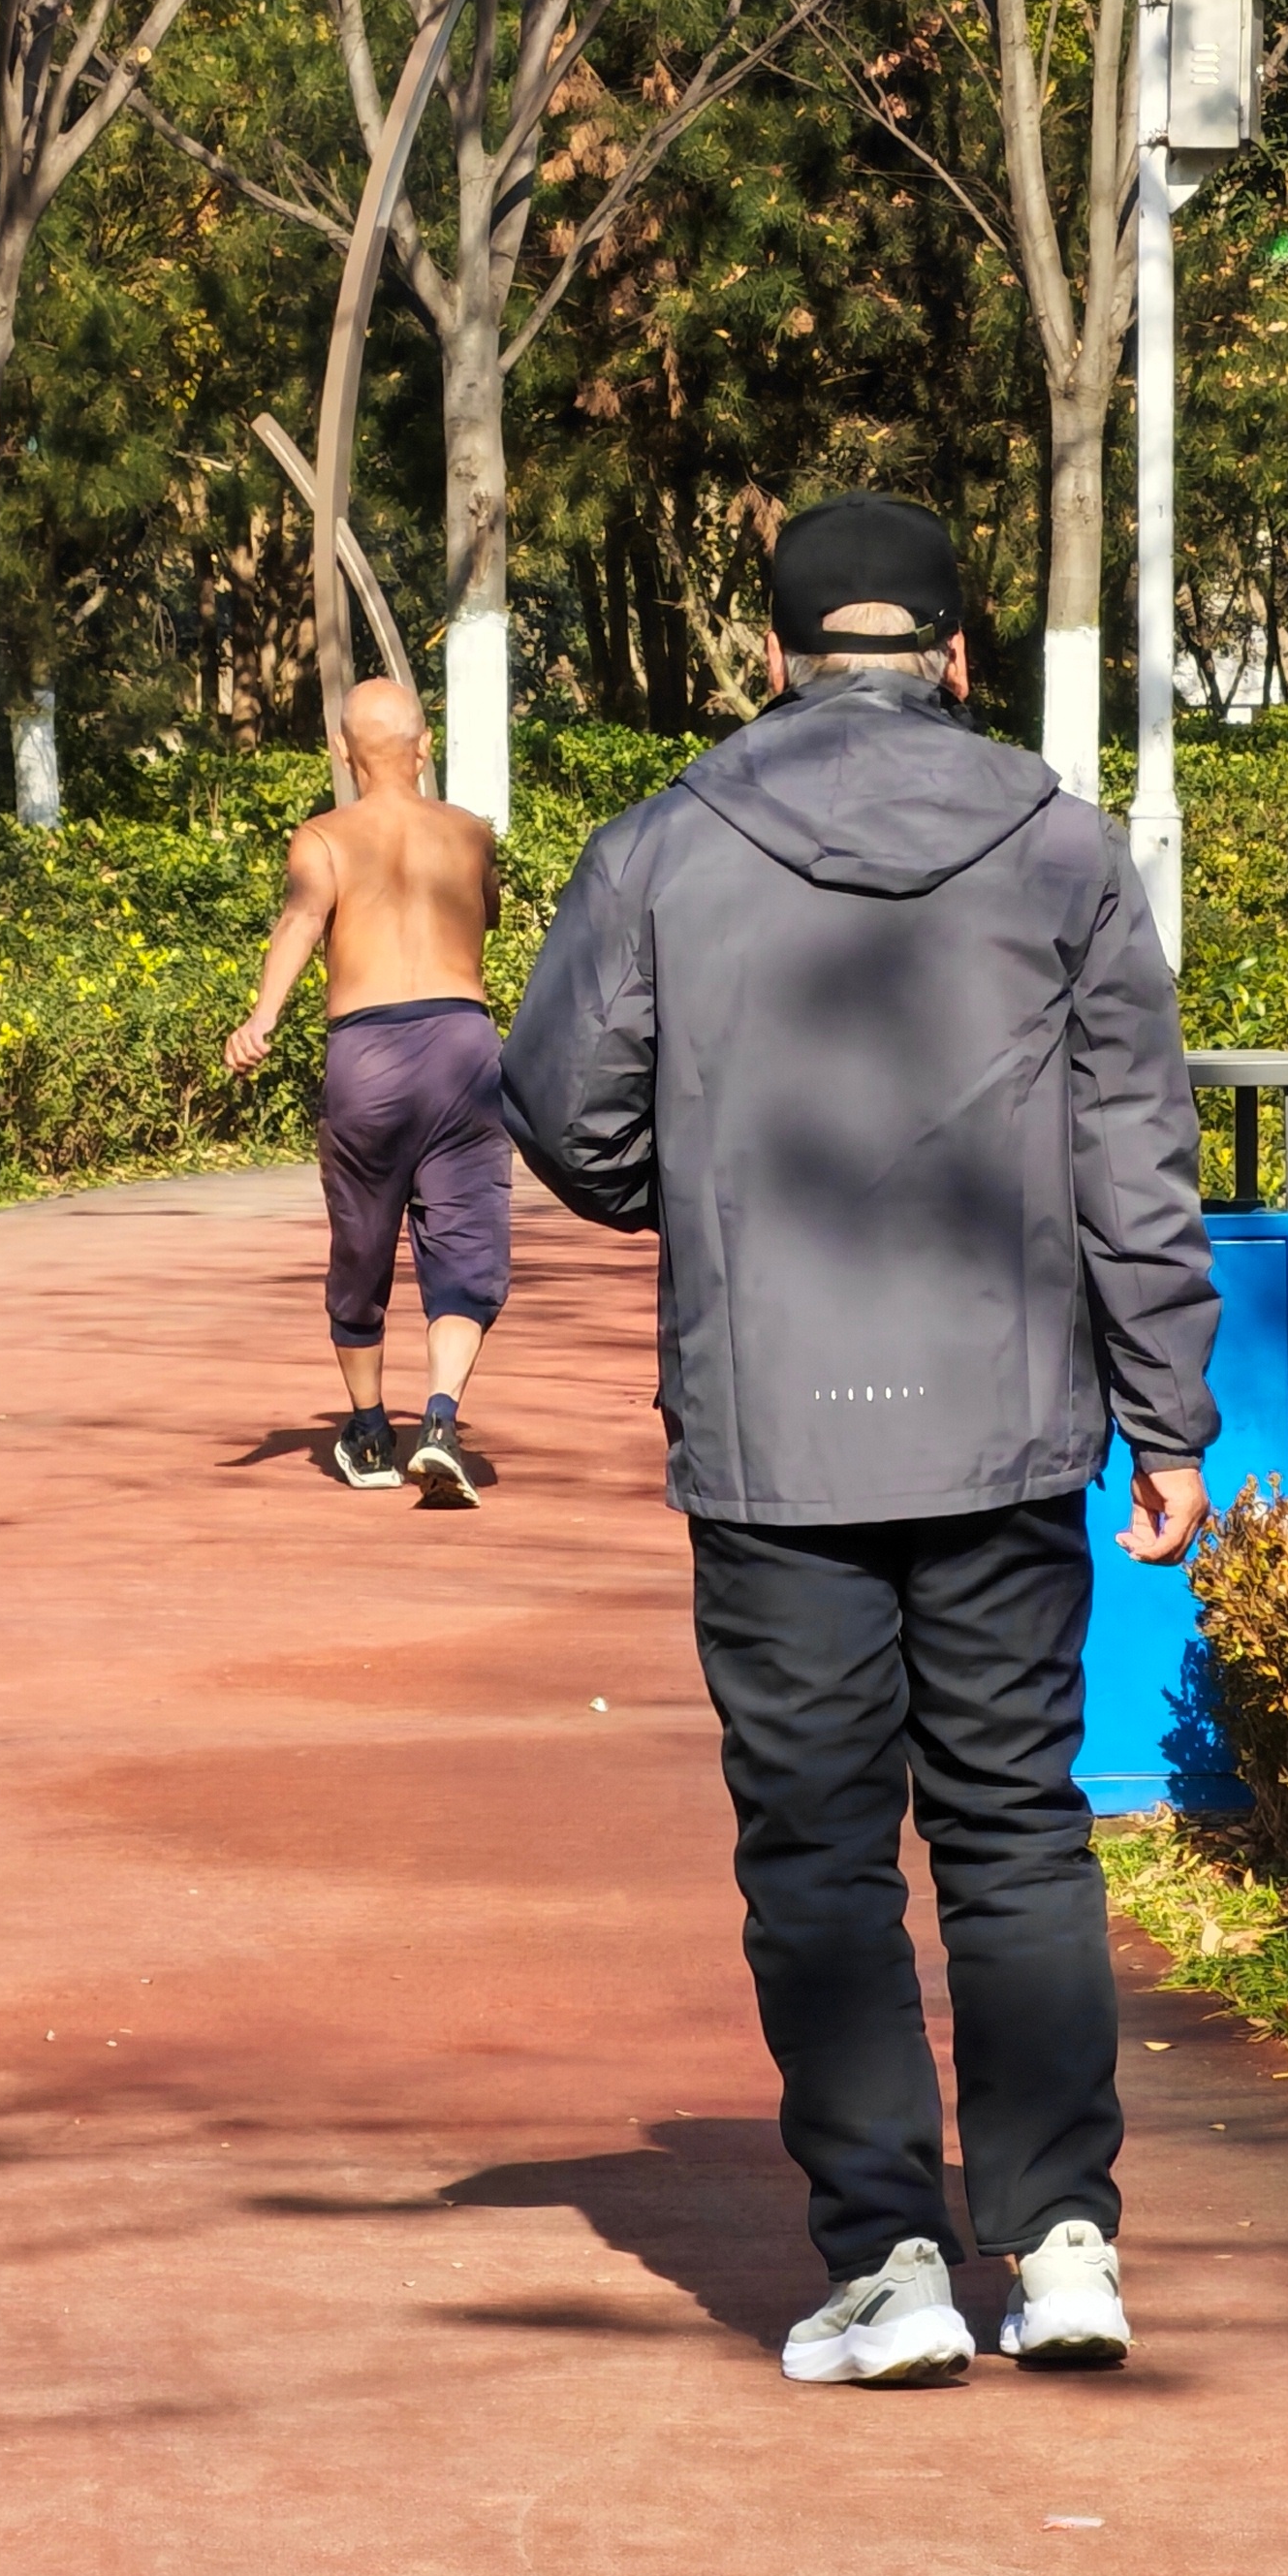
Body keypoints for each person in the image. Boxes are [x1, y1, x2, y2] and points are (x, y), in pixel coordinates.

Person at [501, 495, 1219, 2383]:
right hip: (1007, 1425)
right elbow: (1135, 1153)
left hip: (772, 1434)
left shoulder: (664, 843)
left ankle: (891, 2259)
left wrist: (705, 1189)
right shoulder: (1063, 841)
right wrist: (1169, 1413)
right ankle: (1062, 2239)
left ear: (774, 657)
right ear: (959, 656)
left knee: (818, 1852)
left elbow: (564, 1102)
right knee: (1015, 1830)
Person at [225, 680, 509, 1506]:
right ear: (426, 747)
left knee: (362, 1241)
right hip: (464, 1045)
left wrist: (261, 1020)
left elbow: (301, 925)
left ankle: (370, 1428)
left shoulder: (321, 838)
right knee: (466, 1243)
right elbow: (483, 917)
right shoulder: (471, 833)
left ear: (344, 756)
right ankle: (444, 1419)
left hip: (369, 1054)